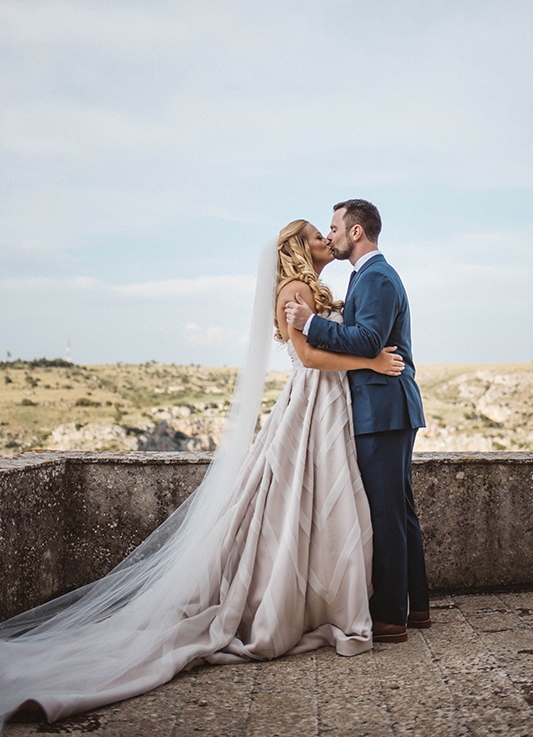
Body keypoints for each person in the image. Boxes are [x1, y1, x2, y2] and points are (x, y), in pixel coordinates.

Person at [0, 219, 404, 726]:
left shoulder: (316, 287)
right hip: (312, 400)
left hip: (327, 402)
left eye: (330, 231)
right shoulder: (295, 287)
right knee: (302, 497)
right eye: (317, 235)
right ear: (300, 248)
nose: (327, 238)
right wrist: (369, 366)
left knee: (318, 499)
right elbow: (305, 355)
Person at [285, 200, 430, 643]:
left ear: (355, 233)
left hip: (383, 409)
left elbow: (368, 339)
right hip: (385, 407)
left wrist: (311, 323)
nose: (329, 235)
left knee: (387, 511)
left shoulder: (378, 277)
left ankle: (390, 616)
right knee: (398, 509)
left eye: (333, 227)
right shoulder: (368, 277)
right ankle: (417, 604)